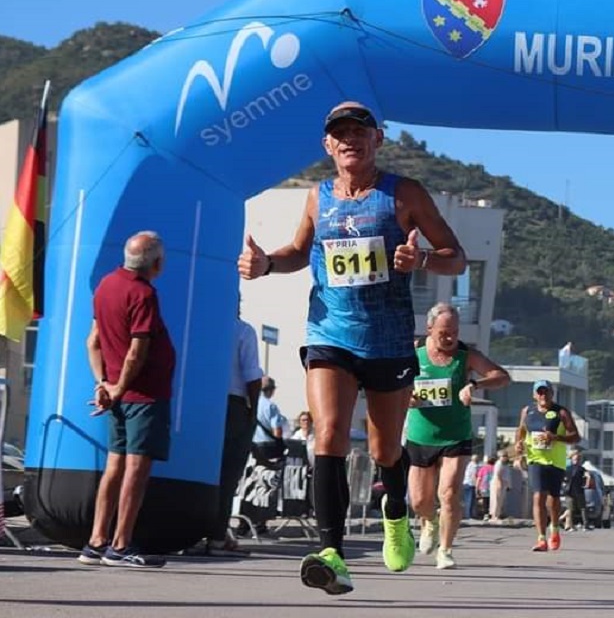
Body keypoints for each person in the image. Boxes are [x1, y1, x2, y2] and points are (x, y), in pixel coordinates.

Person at [238, 100, 466, 594]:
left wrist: (422, 258)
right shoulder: (318, 198)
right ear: (327, 145)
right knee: (329, 433)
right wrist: (267, 266)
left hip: (386, 340)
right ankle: (332, 552)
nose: (349, 140)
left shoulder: (403, 193)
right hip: (329, 333)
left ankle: (395, 511)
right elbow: (300, 251)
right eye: (339, 134)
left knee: (386, 449)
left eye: (359, 132)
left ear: (377, 139)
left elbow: (457, 258)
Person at [79, 231, 173, 568]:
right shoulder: (143, 293)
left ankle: (95, 541)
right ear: (157, 263)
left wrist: (102, 383)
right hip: (143, 395)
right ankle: (119, 545)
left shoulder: (106, 285)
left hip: (119, 394)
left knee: (115, 465)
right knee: (136, 467)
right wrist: (117, 387)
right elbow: (137, 351)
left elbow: (93, 341)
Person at [405, 302, 510, 570]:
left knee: (449, 493)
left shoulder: (466, 355)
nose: (450, 337)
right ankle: (428, 521)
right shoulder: (413, 352)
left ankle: (446, 549)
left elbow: (502, 376)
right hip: (421, 434)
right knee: (418, 501)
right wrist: (407, 395)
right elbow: (394, 380)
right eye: (443, 332)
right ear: (429, 329)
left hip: (456, 435)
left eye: (454, 331)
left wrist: (475, 384)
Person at [196, 309, 264, 556]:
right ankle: (216, 537)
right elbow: (252, 375)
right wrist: (253, 412)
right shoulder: (243, 330)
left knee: (202, 472)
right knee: (228, 475)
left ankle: (193, 533)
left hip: (202, 404)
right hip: (233, 406)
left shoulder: (203, 329)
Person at [516, 380, 580, 551]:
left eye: (546, 392)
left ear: (552, 394)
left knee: (553, 499)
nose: (543, 396)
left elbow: (575, 436)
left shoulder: (561, 412)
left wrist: (556, 438)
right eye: (540, 392)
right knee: (538, 496)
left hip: (555, 461)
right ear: (534, 395)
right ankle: (541, 538)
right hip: (535, 459)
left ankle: (555, 529)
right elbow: (521, 430)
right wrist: (519, 443)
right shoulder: (527, 411)